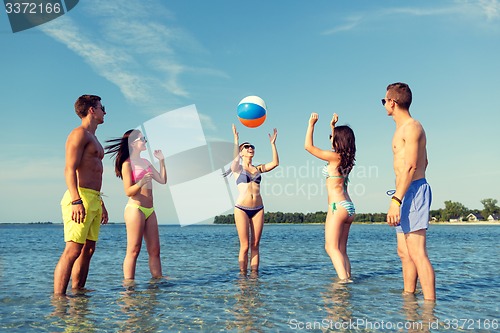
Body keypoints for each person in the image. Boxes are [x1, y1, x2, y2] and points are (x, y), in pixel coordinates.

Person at [383, 82, 435, 301]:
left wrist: (396, 199)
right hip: (404, 192)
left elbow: (412, 166)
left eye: (384, 100)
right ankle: (409, 301)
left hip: (411, 192)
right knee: (404, 252)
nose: (384, 104)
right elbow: (427, 160)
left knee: (417, 252)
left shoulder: (413, 127)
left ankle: (429, 309)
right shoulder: (400, 129)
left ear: (393, 102)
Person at [54, 94, 109, 295]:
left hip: (94, 198)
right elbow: (69, 169)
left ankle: (78, 293)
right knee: (73, 250)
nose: (105, 111)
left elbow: (95, 171)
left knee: (88, 250)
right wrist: (76, 200)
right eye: (102, 107)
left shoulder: (93, 137)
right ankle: (59, 300)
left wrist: (101, 203)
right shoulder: (79, 134)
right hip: (79, 197)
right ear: (92, 110)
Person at [105, 129, 167, 281]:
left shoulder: (145, 162)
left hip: (150, 209)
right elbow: (128, 191)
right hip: (135, 208)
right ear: (133, 143)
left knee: (155, 250)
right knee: (134, 250)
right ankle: (129, 286)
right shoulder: (127, 164)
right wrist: (141, 182)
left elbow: (162, 180)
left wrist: (162, 161)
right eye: (142, 138)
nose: (145, 141)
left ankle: (157, 282)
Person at [305, 113, 356, 282]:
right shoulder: (346, 159)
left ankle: (343, 283)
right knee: (341, 249)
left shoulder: (334, 157)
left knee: (331, 247)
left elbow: (309, 147)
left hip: (337, 207)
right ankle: (348, 278)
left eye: (333, 137)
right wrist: (332, 126)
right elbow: (336, 143)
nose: (331, 139)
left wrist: (311, 124)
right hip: (349, 206)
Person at [225, 124, 279, 274]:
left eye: (252, 146)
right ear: (241, 153)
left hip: (258, 209)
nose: (250, 148)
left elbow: (275, 163)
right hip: (242, 209)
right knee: (245, 246)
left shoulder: (258, 168)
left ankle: (254, 277)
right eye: (247, 147)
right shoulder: (237, 169)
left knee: (255, 245)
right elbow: (234, 161)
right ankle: (242, 277)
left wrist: (272, 144)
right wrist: (236, 141)